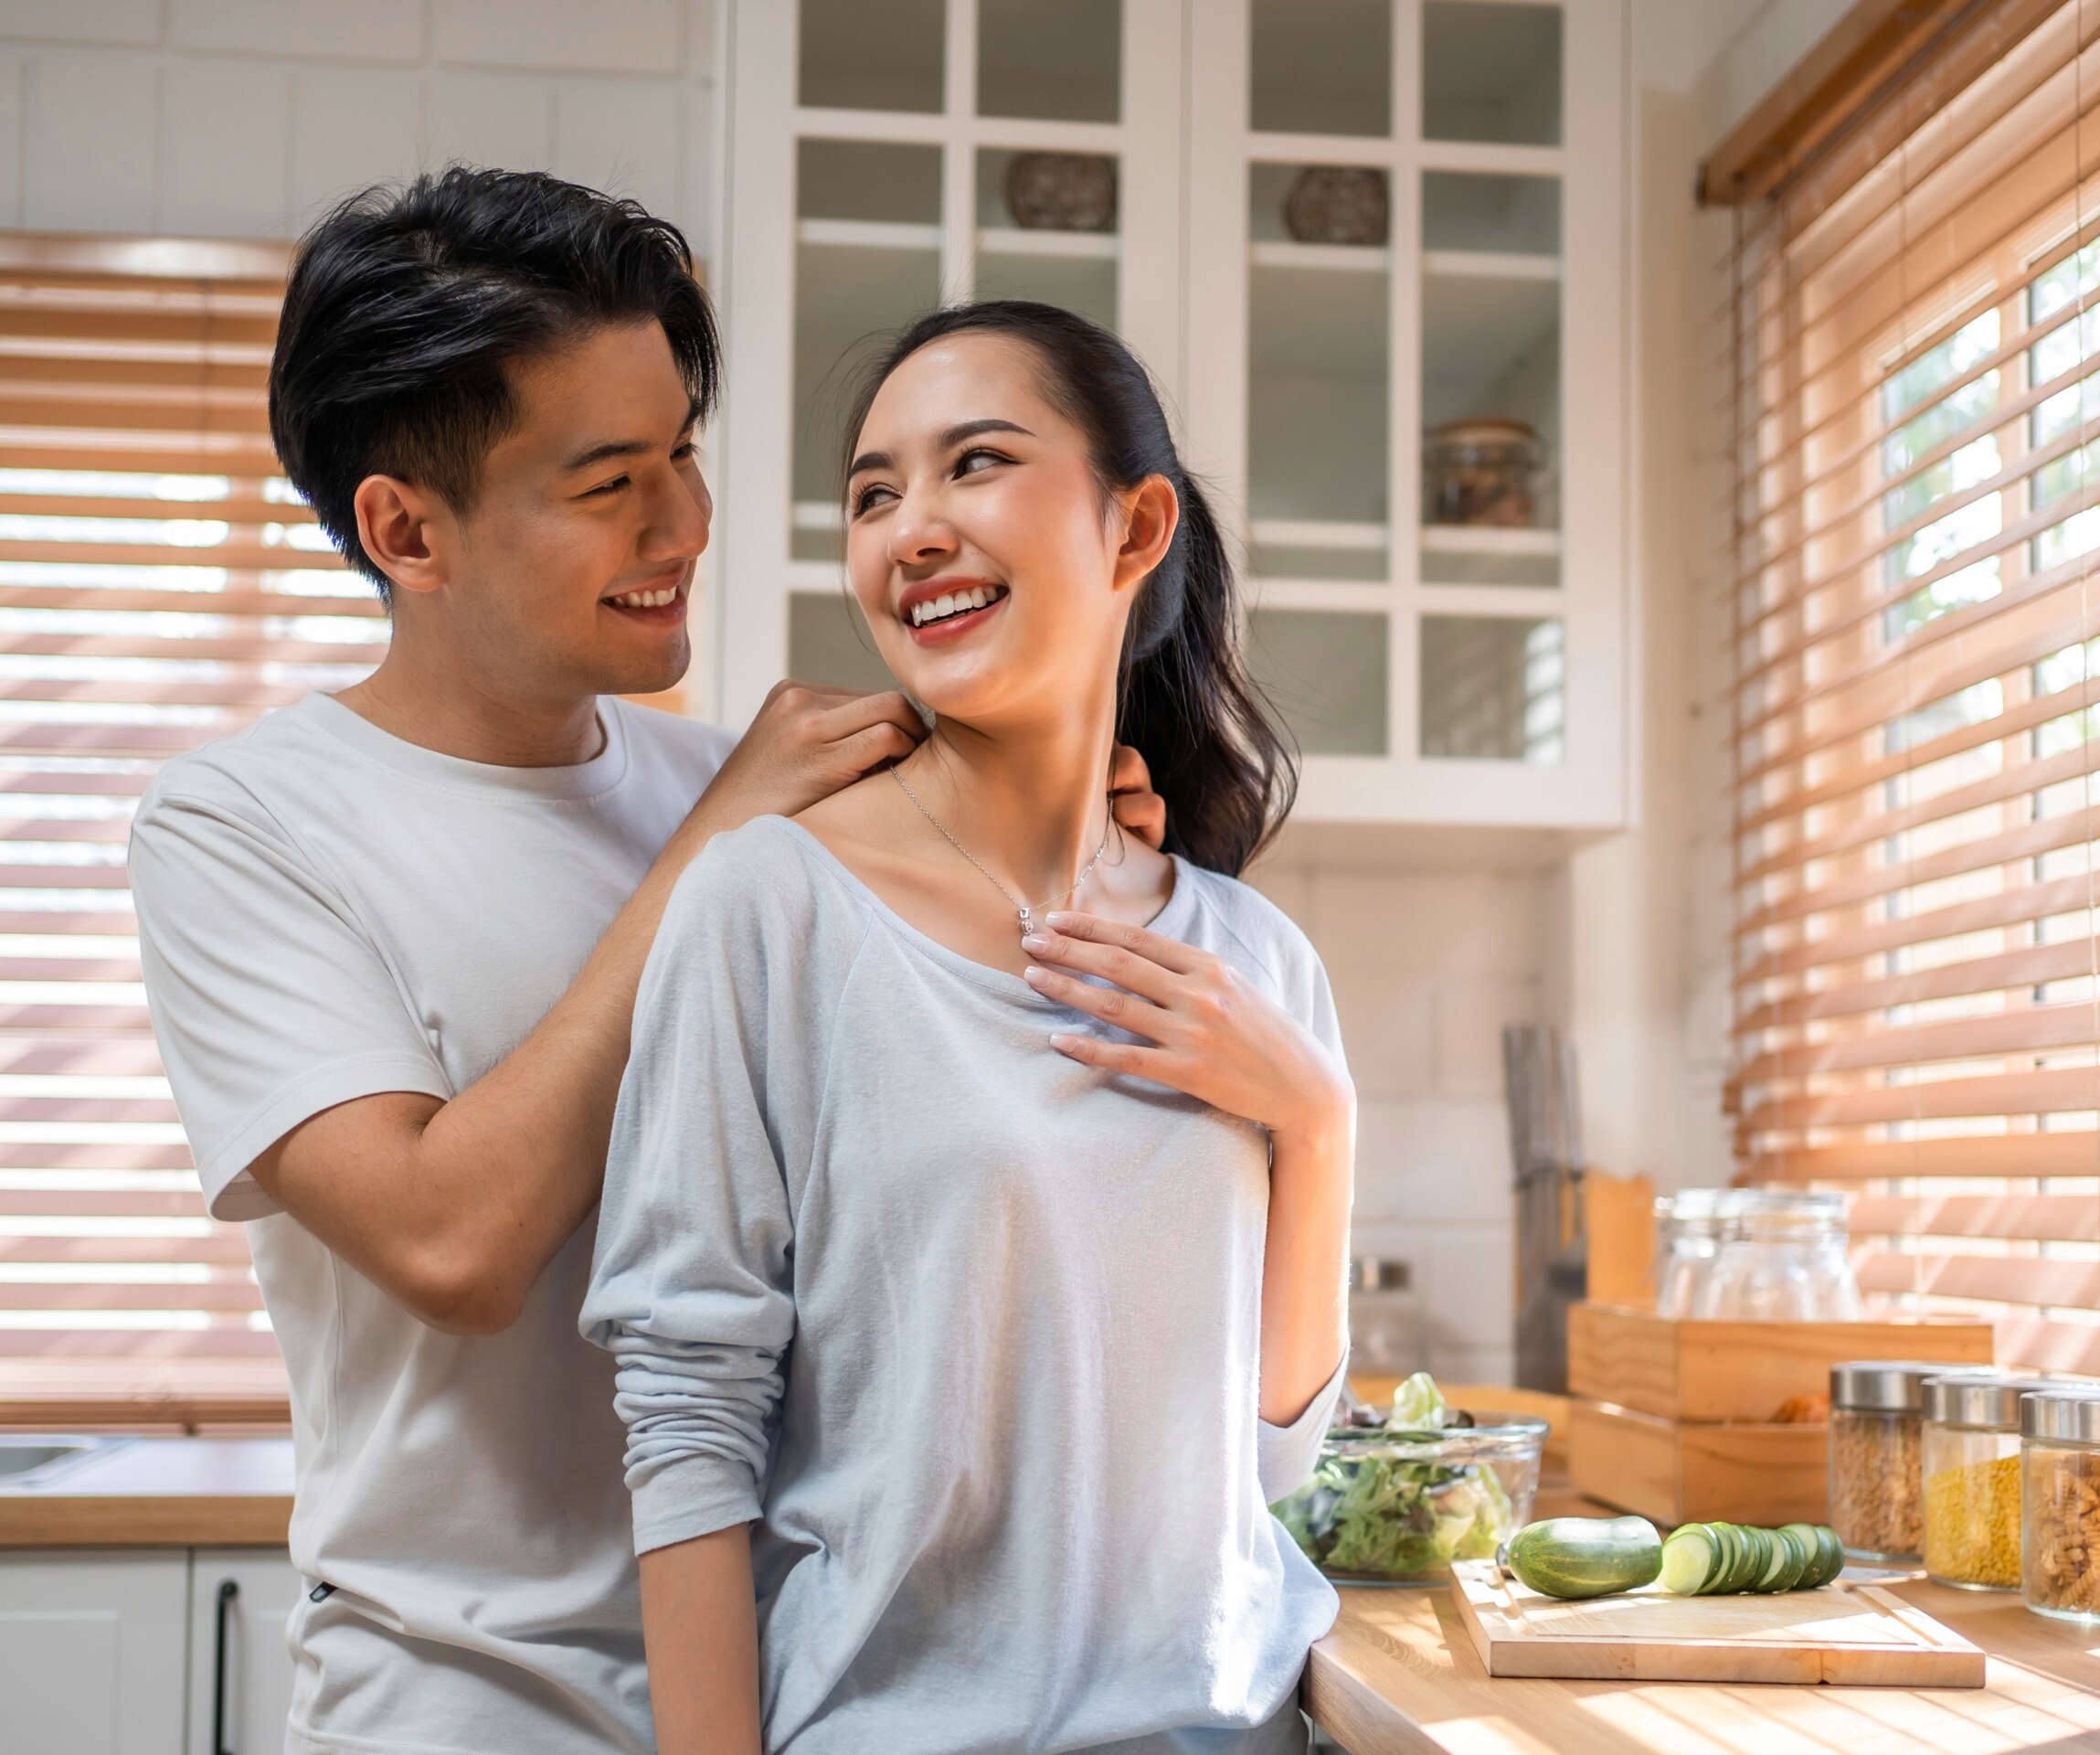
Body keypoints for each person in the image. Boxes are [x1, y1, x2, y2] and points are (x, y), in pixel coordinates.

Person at [128, 173, 1162, 1755]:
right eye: (610, 479)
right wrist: (717, 850)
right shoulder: (244, 824)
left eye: (682, 448)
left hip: (792, 1687)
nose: (681, 521)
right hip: (463, 1701)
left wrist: (1063, 855)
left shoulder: (754, 796)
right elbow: (448, 1242)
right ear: (409, 530)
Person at [580, 301, 1355, 1755]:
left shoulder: (1254, 961)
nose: (910, 529)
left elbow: (1269, 1468)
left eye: (973, 465)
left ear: (1135, 532)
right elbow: (687, 1408)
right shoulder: (769, 908)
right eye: (874, 494)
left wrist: (1319, 1128)